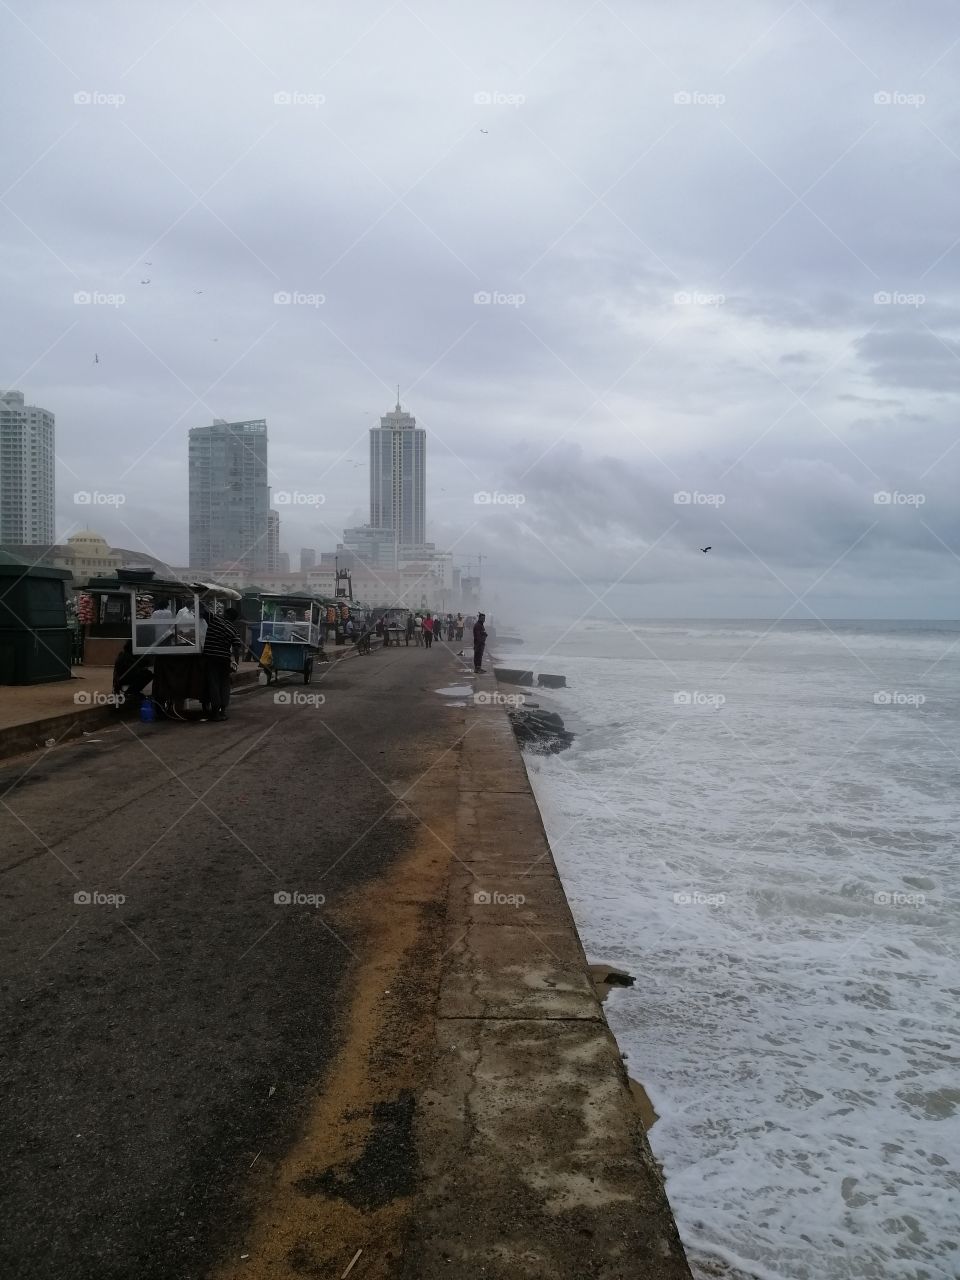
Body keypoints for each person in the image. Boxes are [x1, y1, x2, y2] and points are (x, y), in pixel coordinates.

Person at [202, 606, 241, 721]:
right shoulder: (234, 630)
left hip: (211, 657)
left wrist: (200, 596)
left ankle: (215, 713)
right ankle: (222, 711)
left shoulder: (214, 620)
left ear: (225, 614)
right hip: (224, 659)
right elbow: (236, 649)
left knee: (214, 683)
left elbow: (204, 611)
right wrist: (236, 664)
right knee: (224, 684)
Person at [112, 640, 153, 710]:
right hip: (123, 679)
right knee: (147, 674)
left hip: (122, 678)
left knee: (146, 673)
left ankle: (133, 691)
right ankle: (131, 692)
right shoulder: (126, 656)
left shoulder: (125, 654)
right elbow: (134, 669)